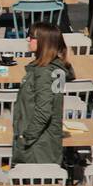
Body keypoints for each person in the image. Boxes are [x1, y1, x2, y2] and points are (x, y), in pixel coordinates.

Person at [14, 22, 73, 166]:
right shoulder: (52, 68)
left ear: (43, 42)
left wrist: (25, 137)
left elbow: (44, 112)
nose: (28, 39)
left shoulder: (45, 72)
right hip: (45, 144)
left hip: (38, 149)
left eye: (31, 37)